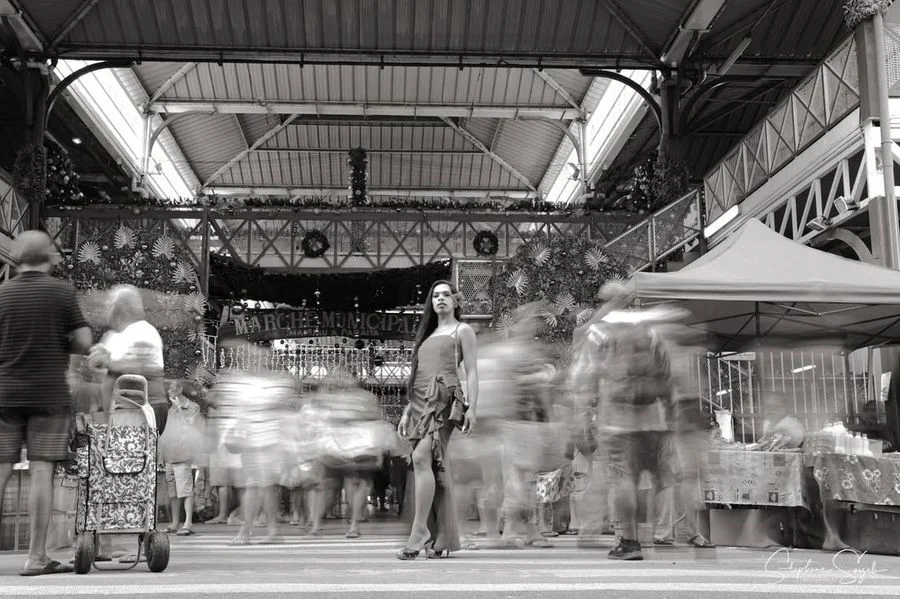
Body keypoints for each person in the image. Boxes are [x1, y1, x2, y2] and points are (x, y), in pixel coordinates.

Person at [0, 230, 92, 576]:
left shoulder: (2, 293)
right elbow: (83, 340)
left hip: (5, 393)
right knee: (41, 469)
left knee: (1, 468)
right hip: (48, 396)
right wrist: (57, 339)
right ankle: (35, 555)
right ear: (49, 258)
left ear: (17, 258)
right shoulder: (61, 292)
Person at [396, 280, 478, 559]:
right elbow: (419, 374)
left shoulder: (462, 330)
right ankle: (440, 537)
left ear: (455, 301)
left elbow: (472, 372)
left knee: (421, 459)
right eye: (435, 296)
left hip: (444, 397)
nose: (440, 299)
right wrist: (408, 409)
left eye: (446, 295)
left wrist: (474, 408)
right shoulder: (427, 335)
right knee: (434, 468)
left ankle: (420, 532)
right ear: (431, 303)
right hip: (419, 400)